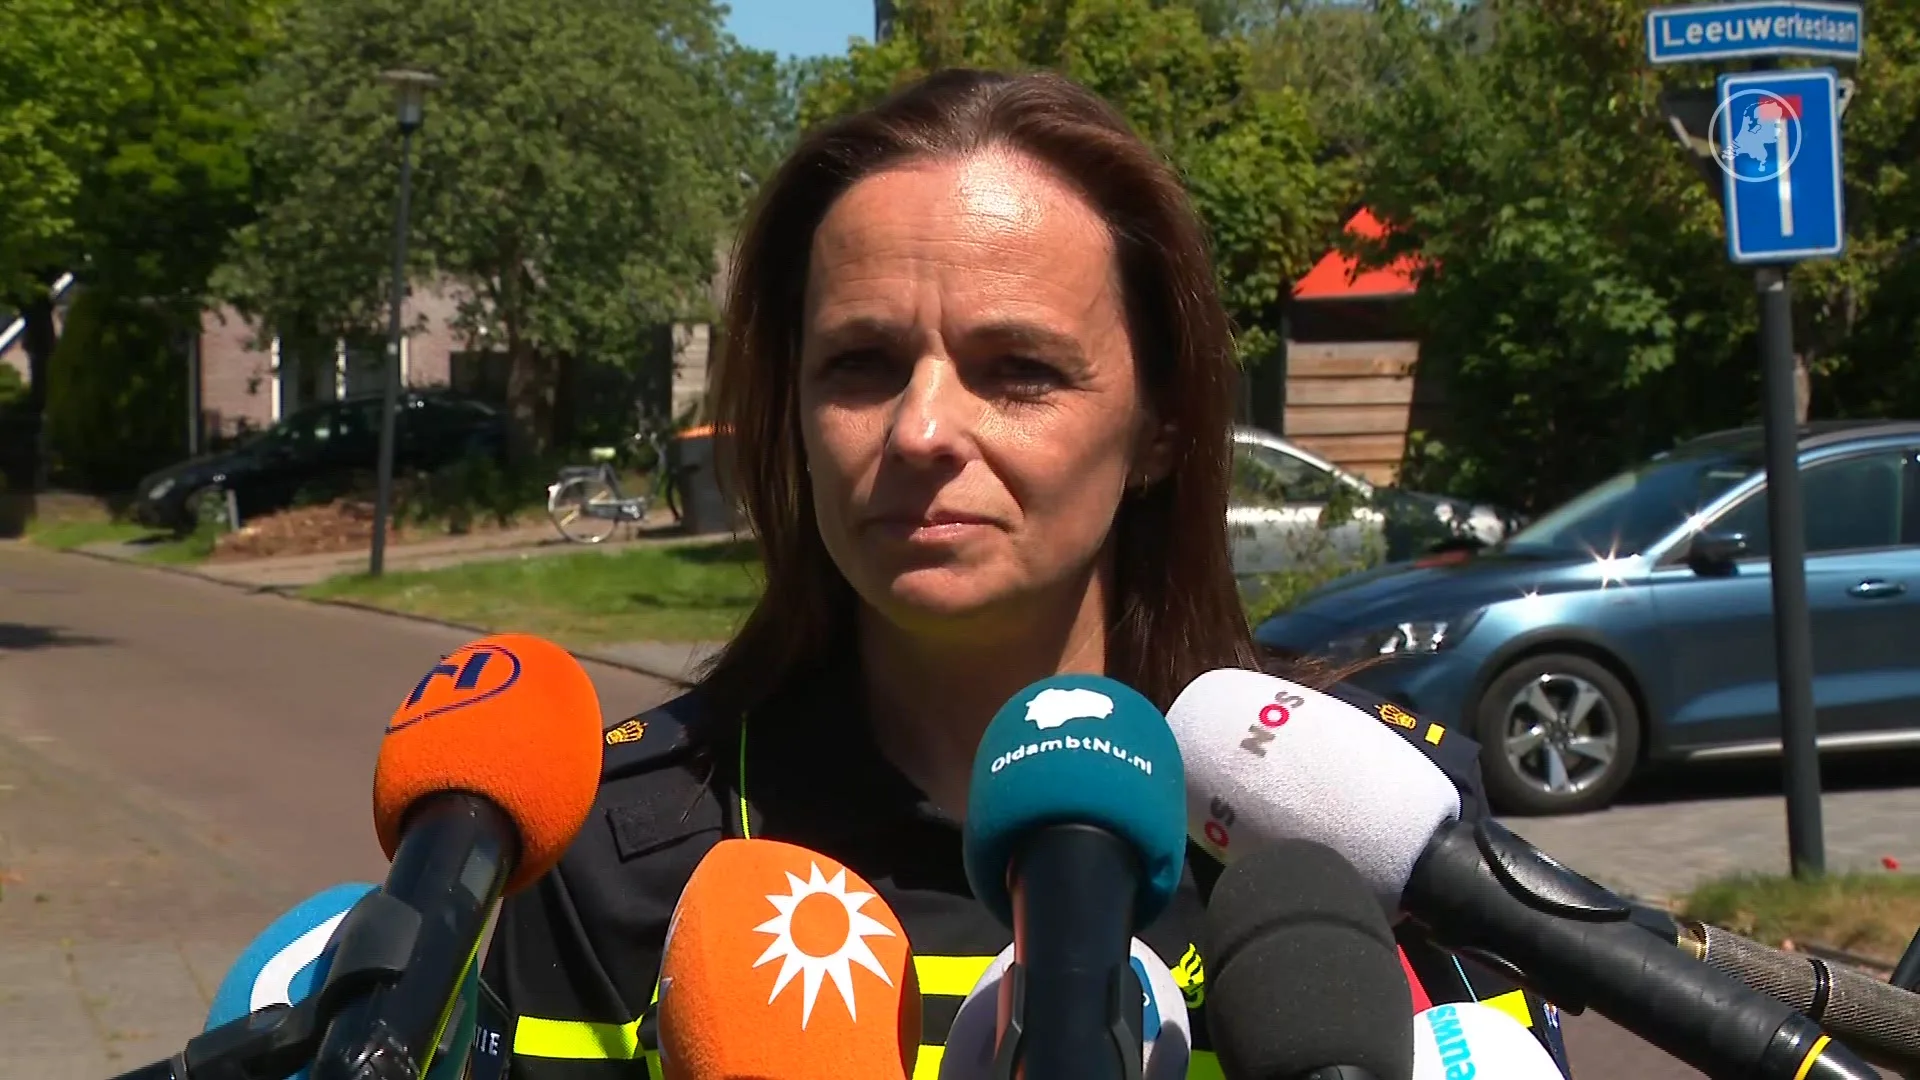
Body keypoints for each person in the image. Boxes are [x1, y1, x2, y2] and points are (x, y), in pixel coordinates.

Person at [477, 68, 1571, 1080]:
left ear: (1159, 429)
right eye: (861, 363)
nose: (920, 430)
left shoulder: (1380, 826)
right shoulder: (614, 855)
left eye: (1018, 370)